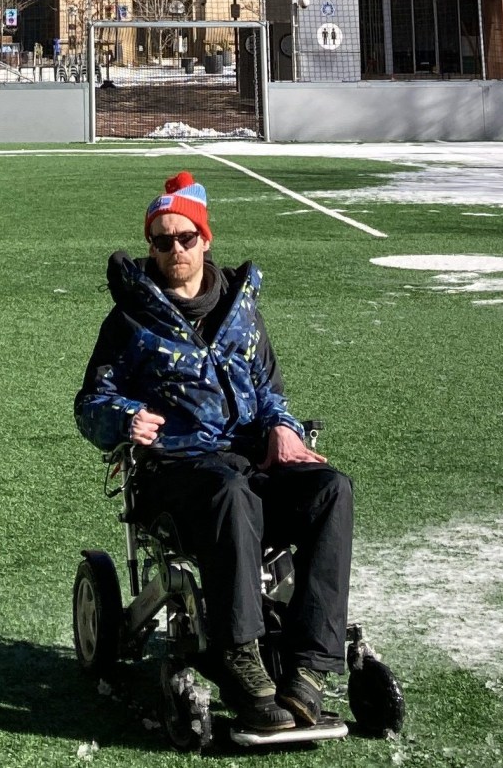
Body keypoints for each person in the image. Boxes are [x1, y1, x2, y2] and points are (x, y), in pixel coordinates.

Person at [75, 170, 354, 735]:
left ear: (206, 239)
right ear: (151, 246)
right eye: (161, 241)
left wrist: (283, 428)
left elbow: (270, 392)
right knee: (230, 493)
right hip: (175, 473)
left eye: (185, 237)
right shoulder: (129, 319)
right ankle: (240, 658)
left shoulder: (242, 312)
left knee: (331, 490)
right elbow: (90, 403)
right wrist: (125, 418)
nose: (174, 249)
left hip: (249, 462)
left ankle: (309, 668)